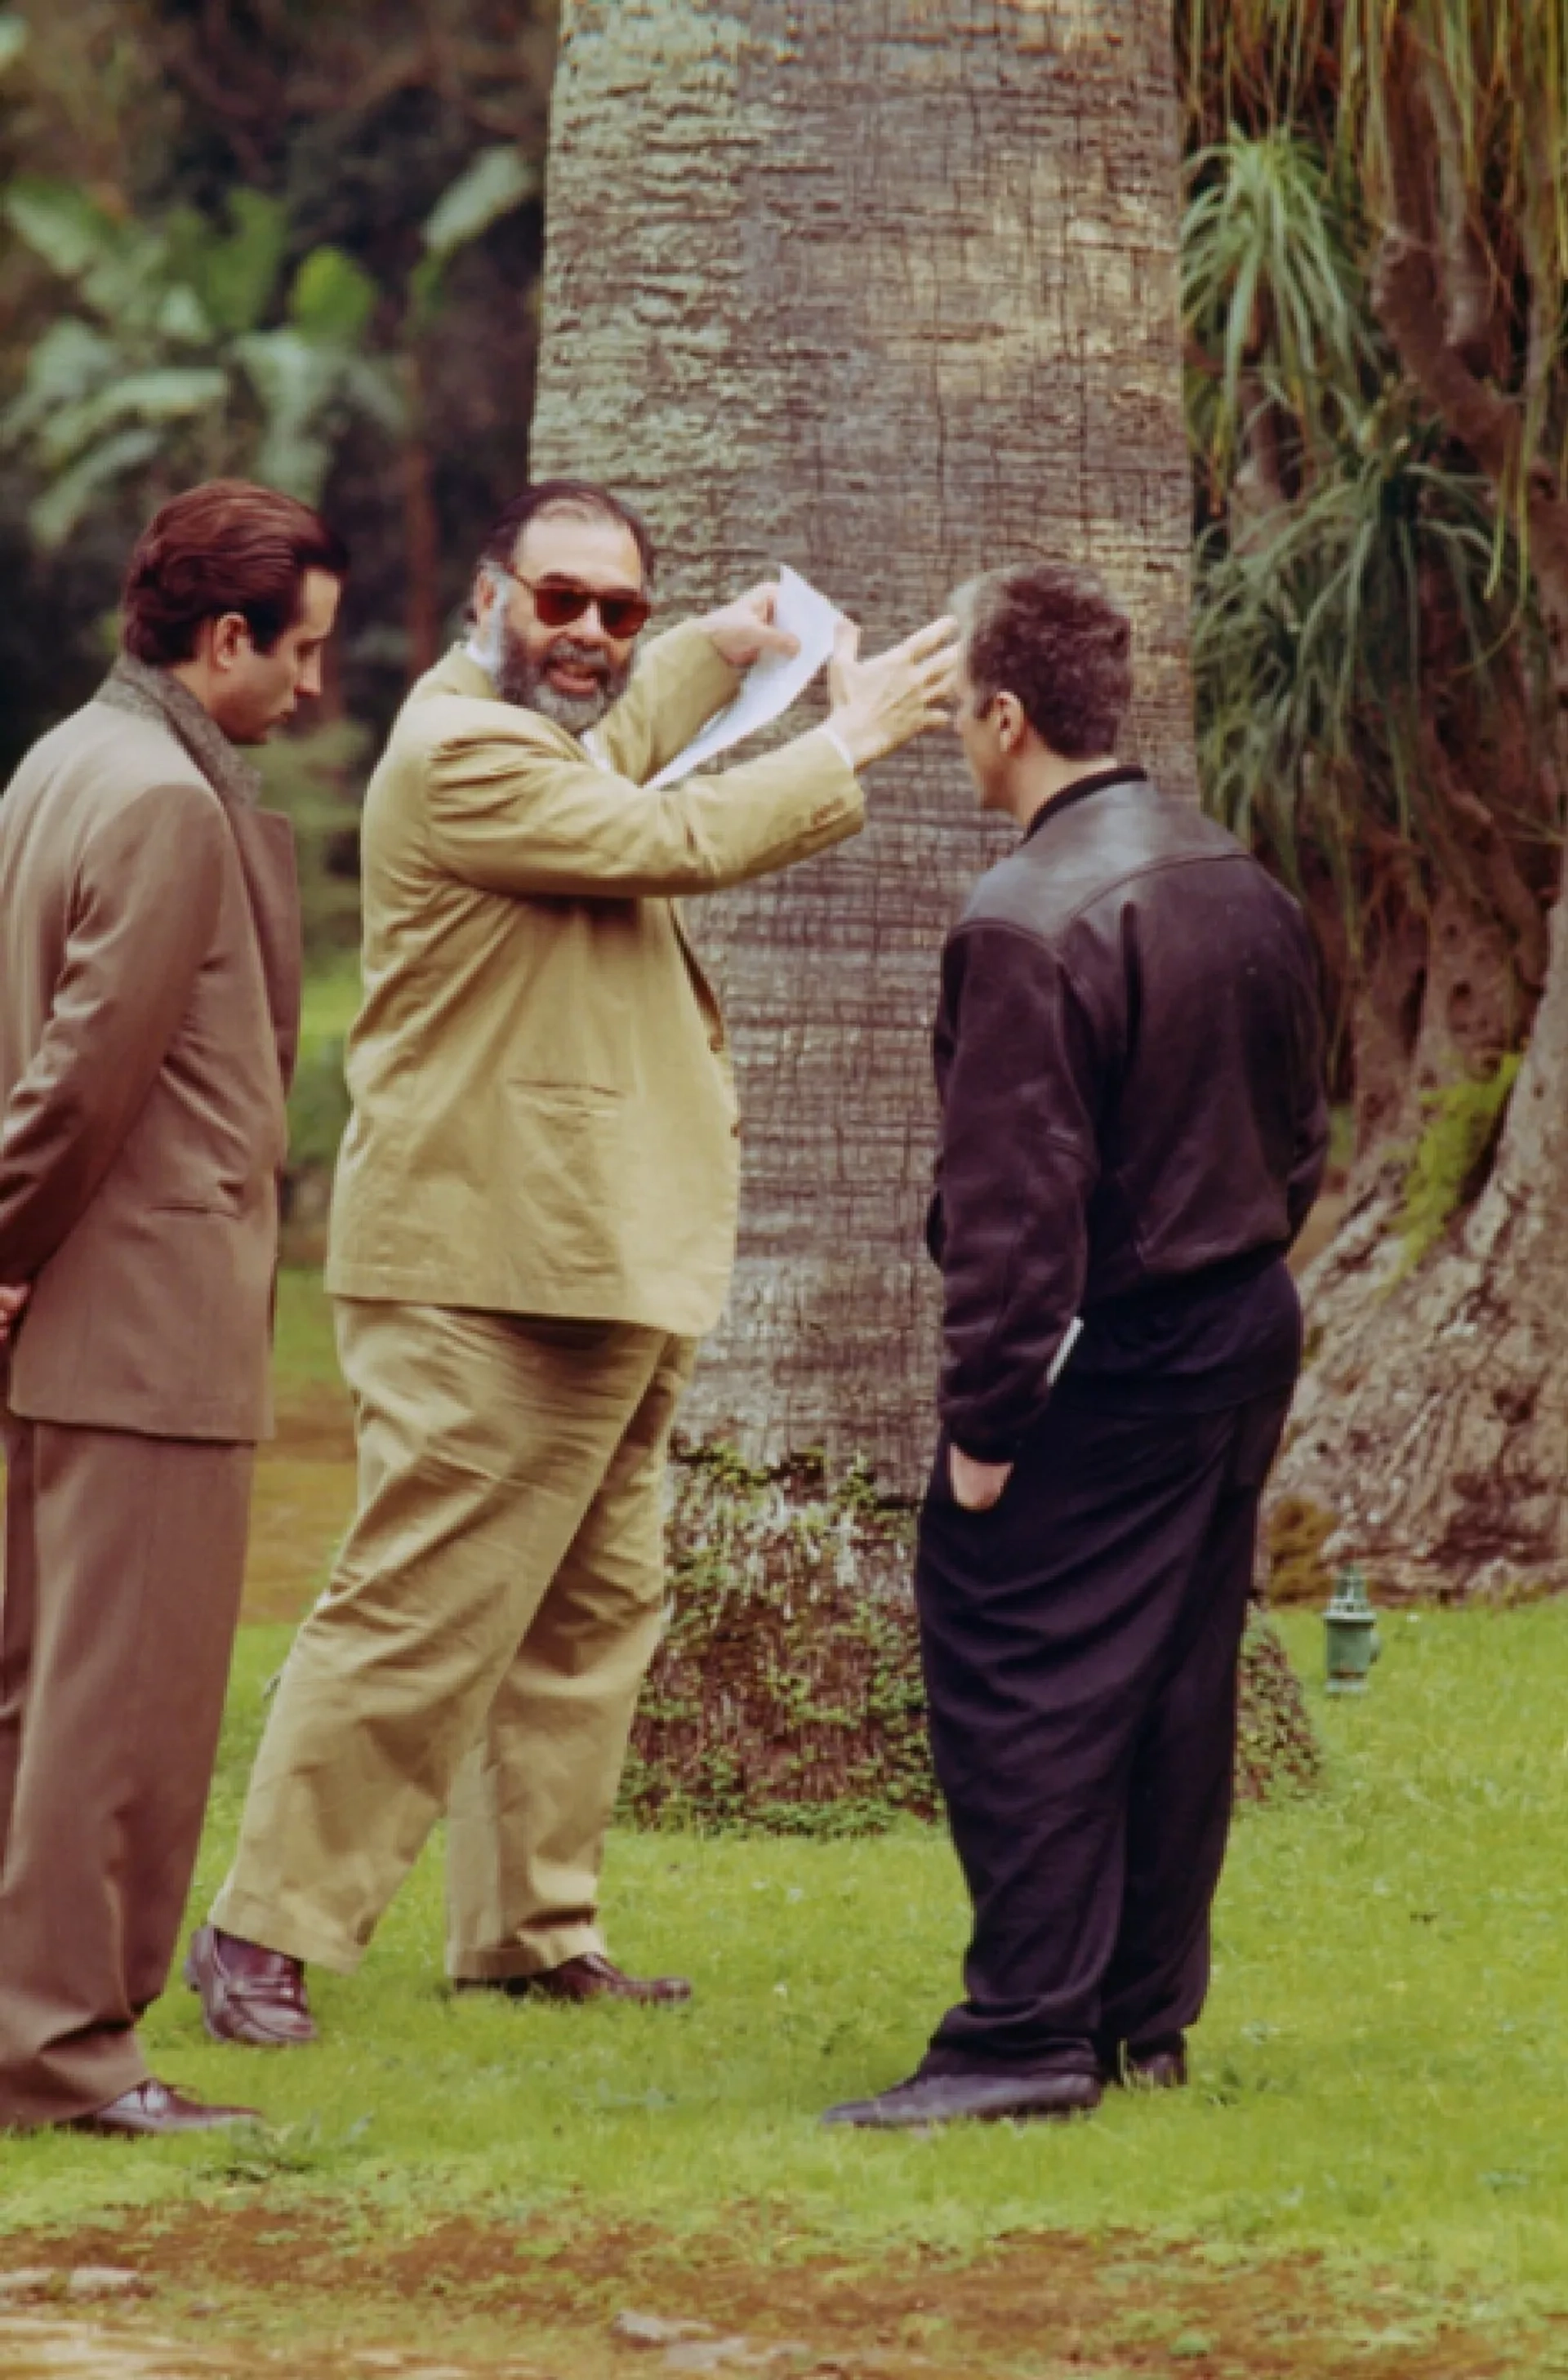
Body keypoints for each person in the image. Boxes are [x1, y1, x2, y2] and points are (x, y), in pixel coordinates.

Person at [189, 479, 960, 2046]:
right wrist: (848, 735)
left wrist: (714, 645)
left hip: (595, 1260)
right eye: (562, 601)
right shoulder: (461, 750)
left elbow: (614, 738)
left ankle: (530, 1931)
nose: (593, 634)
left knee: (591, 1611)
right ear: (491, 598)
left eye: (619, 607)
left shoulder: (536, 726)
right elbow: (658, 825)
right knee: (419, 1604)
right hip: (491, 1265)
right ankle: (260, 1930)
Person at [825, 561, 1328, 2130]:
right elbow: (1306, 1132)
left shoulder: (1027, 920)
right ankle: (1139, 2021)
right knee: (1179, 1669)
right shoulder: (1241, 874)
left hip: (1103, 1356)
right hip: (1241, 1324)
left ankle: (1023, 2040)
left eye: (958, 706)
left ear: (1005, 712)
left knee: (1019, 1671)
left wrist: (983, 1431)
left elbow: (1013, 1215)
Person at [0, 480, 347, 2134]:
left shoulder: (63, 759)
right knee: (116, 1710)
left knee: (42, 1689)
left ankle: (33, 2025)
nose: (318, 686)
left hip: (82, 1315)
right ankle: (69, 2057)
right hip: (136, 1319)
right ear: (227, 640)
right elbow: (77, 1081)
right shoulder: (155, 797)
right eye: (307, 651)